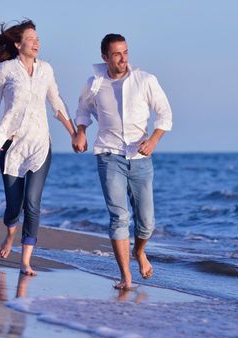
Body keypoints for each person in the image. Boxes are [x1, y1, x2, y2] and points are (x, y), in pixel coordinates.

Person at [0, 19, 77, 276]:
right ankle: (10, 234)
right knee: (14, 206)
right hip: (10, 146)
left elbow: (56, 103)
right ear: (18, 44)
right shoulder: (5, 70)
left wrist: (74, 132)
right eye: (31, 39)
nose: (37, 43)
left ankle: (26, 261)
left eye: (38, 38)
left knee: (32, 202)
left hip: (40, 144)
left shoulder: (46, 70)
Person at [73, 33, 173, 289]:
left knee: (147, 221)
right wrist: (82, 131)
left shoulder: (145, 80)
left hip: (140, 156)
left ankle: (139, 251)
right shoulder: (95, 83)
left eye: (126, 52)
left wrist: (154, 140)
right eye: (116, 54)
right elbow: (83, 109)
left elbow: (165, 113)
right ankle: (126, 277)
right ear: (105, 57)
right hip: (108, 155)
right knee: (119, 217)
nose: (123, 58)